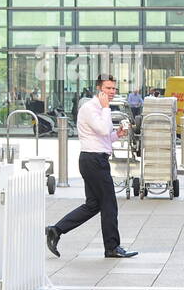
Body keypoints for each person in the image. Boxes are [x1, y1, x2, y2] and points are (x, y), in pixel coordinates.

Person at [46, 73, 138, 259]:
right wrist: (106, 109)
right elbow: (103, 129)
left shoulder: (101, 108)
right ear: (99, 89)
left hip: (95, 159)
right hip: (93, 160)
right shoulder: (91, 108)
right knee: (109, 203)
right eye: (108, 88)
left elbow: (103, 136)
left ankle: (56, 230)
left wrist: (117, 134)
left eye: (114, 88)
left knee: (93, 205)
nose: (112, 92)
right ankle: (112, 247)